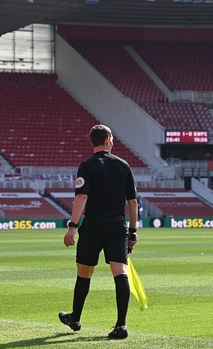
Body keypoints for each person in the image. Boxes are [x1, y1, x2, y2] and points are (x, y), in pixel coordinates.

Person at [60, 124, 138, 340]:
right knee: (120, 272)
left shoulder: (87, 166)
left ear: (91, 142)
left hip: (93, 225)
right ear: (107, 140)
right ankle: (121, 325)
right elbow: (132, 202)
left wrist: (72, 226)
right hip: (117, 226)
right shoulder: (123, 165)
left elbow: (81, 197)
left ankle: (75, 318)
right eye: (112, 138)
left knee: (84, 273)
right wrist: (132, 232)